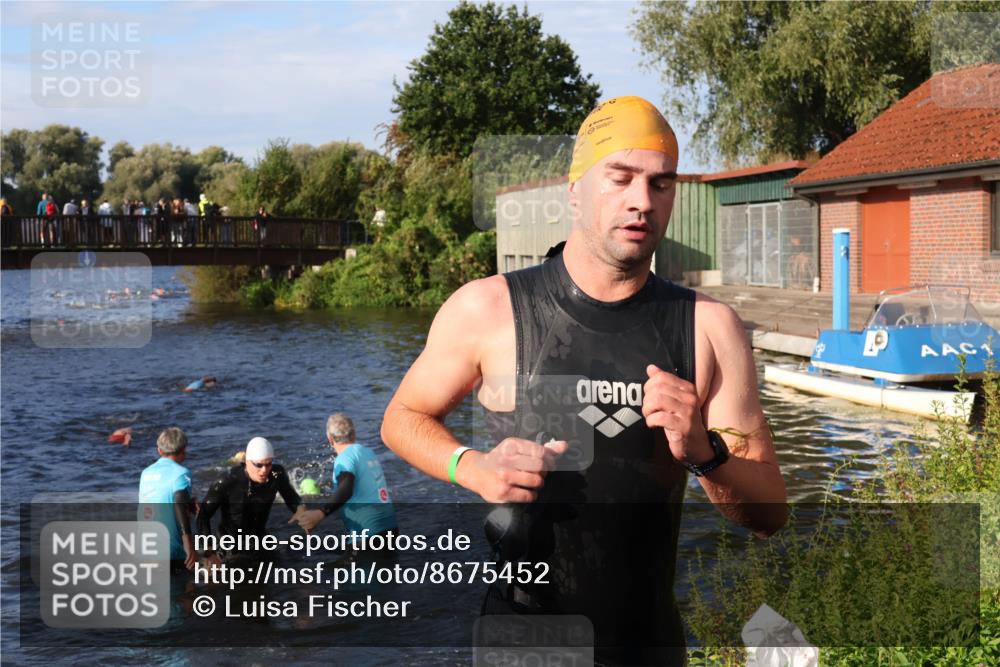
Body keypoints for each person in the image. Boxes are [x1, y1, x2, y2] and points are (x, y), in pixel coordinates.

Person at [380, 96, 788, 665]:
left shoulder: (708, 328)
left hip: (648, 647)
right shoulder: (489, 309)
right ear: (576, 189)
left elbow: (769, 516)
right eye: (620, 179)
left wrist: (705, 452)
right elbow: (402, 418)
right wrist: (471, 466)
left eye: (661, 184)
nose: (641, 202)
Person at [197, 437, 305, 564]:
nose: (264, 470)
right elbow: (203, 516)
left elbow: (291, 497)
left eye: (268, 464)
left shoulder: (277, 474)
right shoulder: (227, 482)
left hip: (259, 539)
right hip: (229, 545)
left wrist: (301, 510)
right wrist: (209, 552)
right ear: (247, 462)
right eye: (258, 465)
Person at [291, 414, 397, 537]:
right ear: (354, 434)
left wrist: (320, 513)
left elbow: (346, 489)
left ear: (330, 439)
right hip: (391, 528)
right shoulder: (368, 452)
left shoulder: (345, 458)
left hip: (368, 534)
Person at [138, 427, 197, 571]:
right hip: (173, 551)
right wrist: (189, 545)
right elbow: (178, 503)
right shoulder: (182, 473)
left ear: (159, 450)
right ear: (183, 451)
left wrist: (189, 502)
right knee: (186, 590)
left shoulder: (145, 474)